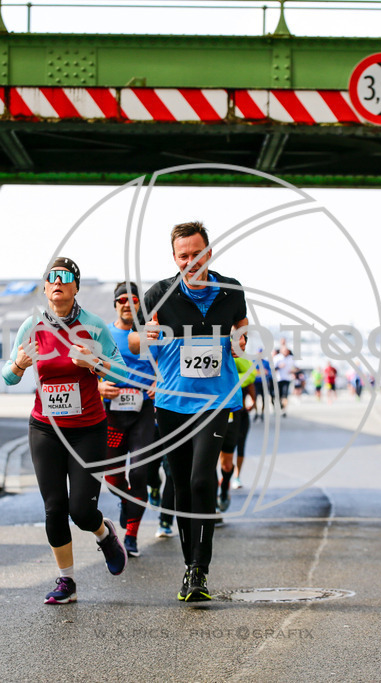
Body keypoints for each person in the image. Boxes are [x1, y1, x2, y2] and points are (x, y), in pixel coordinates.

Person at [130, 221, 248, 602]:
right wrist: (143, 336)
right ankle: (190, 567)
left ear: (209, 252)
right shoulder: (158, 295)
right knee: (180, 486)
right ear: (175, 258)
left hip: (215, 401)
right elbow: (134, 341)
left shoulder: (231, 290)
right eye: (183, 256)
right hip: (171, 403)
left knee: (201, 481)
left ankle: (201, 567)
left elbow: (242, 328)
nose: (191, 261)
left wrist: (242, 340)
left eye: (197, 253)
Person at [2, 257, 128, 605]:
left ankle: (104, 535)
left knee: (82, 512)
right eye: (51, 279)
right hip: (45, 428)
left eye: (65, 278)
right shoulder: (32, 326)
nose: (57, 283)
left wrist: (95, 363)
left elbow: (120, 373)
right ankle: (66, 581)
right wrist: (18, 365)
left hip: (88, 429)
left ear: (75, 287)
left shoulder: (94, 326)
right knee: (54, 508)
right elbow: (7, 376)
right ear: (45, 288)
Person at [98, 281, 159, 558]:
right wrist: (99, 386)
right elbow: (87, 369)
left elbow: (166, 366)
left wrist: (160, 383)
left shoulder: (146, 336)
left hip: (143, 413)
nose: (127, 303)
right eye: (121, 299)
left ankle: (131, 536)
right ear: (115, 304)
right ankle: (126, 501)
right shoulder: (103, 335)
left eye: (133, 299)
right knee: (112, 477)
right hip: (111, 413)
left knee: (139, 473)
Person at [217, 354, 256, 512]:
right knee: (205, 463)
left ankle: (225, 486)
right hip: (207, 411)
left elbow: (251, 376)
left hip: (235, 413)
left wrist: (252, 399)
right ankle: (208, 502)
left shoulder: (234, 352)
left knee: (226, 464)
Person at [273, 346, 296, 416]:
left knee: (285, 395)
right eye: (284, 351)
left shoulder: (291, 358)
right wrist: (278, 367)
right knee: (278, 395)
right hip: (278, 379)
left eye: (287, 351)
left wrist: (293, 371)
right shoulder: (277, 358)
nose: (286, 352)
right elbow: (272, 368)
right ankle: (280, 406)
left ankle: (284, 410)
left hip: (287, 378)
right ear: (281, 351)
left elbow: (296, 368)